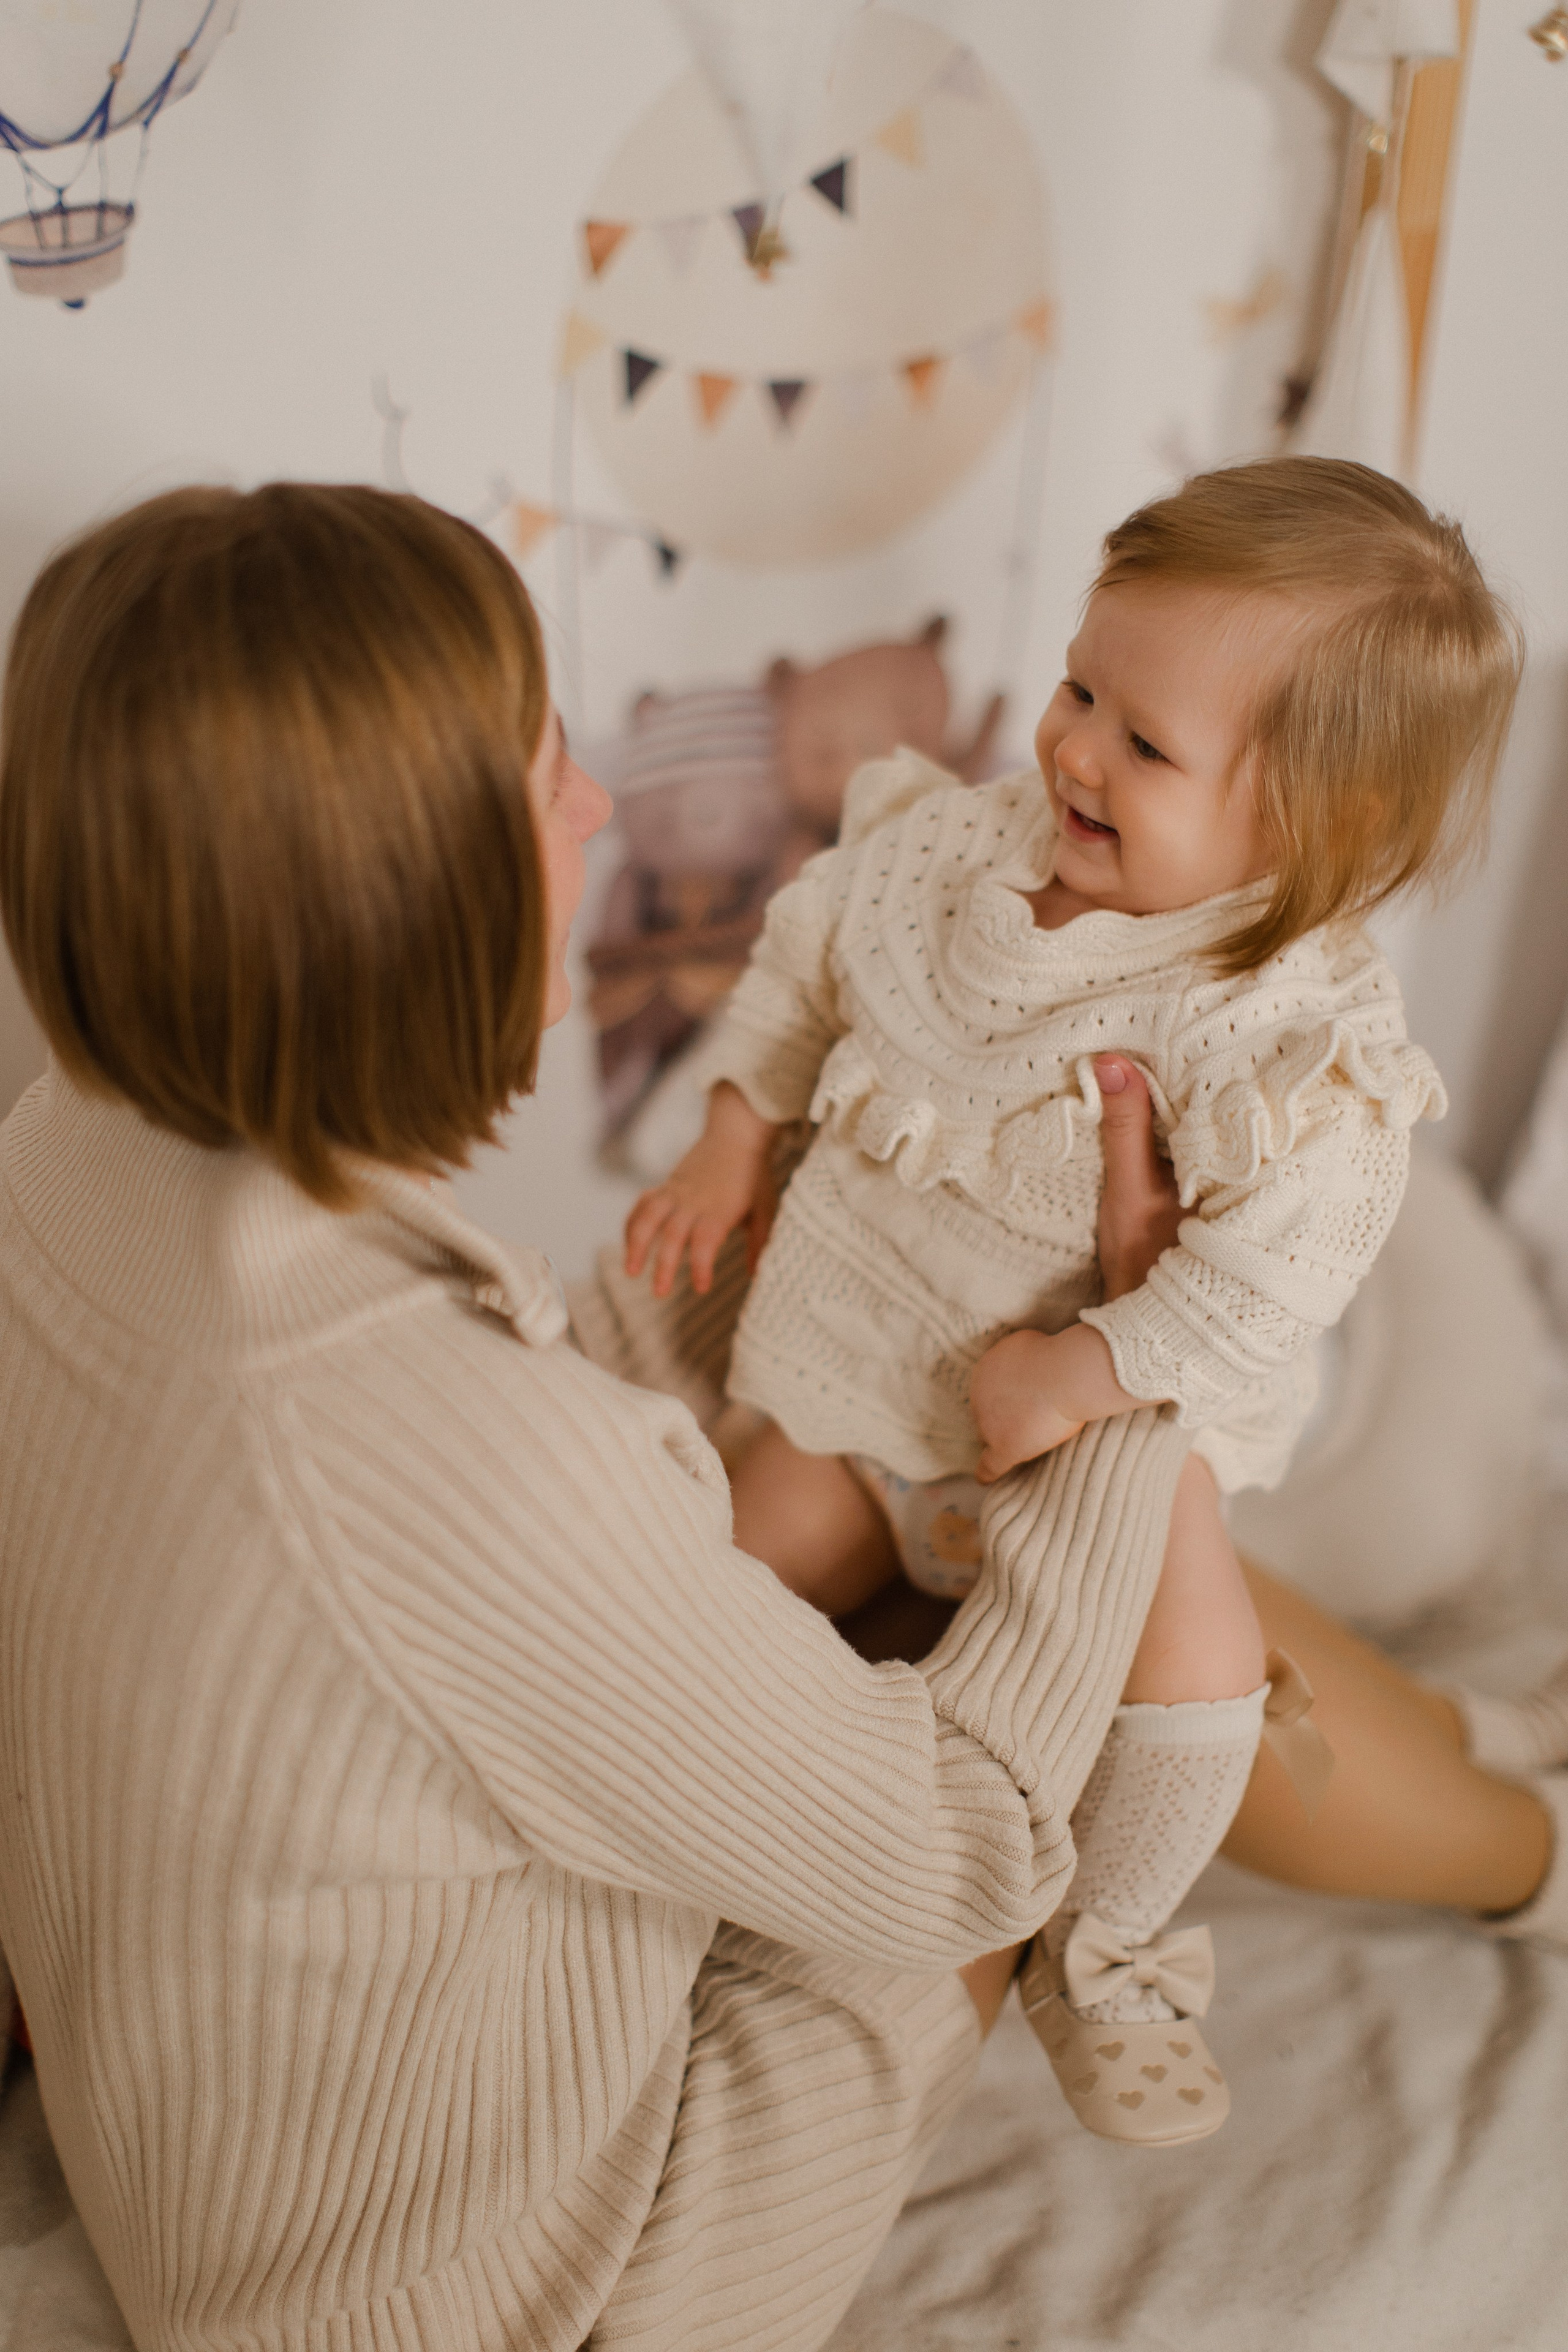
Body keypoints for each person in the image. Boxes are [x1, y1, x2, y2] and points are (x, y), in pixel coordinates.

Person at [0, 481, 1205, 2352]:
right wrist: (1140, 1357)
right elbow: (960, 1846)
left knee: (862, 1446)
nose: (594, 808)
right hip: (514, 2304)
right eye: (546, 771)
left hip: (196, 2132)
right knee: (1051, 1596)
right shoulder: (467, 1469)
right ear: (416, 890)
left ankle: (1498, 1802)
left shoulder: (57, 1158)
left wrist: (822, 1201)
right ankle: (1525, 1844)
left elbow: (495, 1431)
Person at [622, 459, 1523, 2140]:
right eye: (1079, 686)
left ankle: (1105, 1948)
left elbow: (1273, 1276)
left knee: (1197, 1671)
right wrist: (734, 1142)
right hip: (855, 1385)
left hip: (1091, 1451)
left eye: (1143, 744)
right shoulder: (966, 851)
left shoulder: (1277, 1029)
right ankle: (644, 1888)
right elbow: (809, 964)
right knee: (704, 1613)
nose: (1072, 750)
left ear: (1312, 839)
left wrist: (1095, 1360)